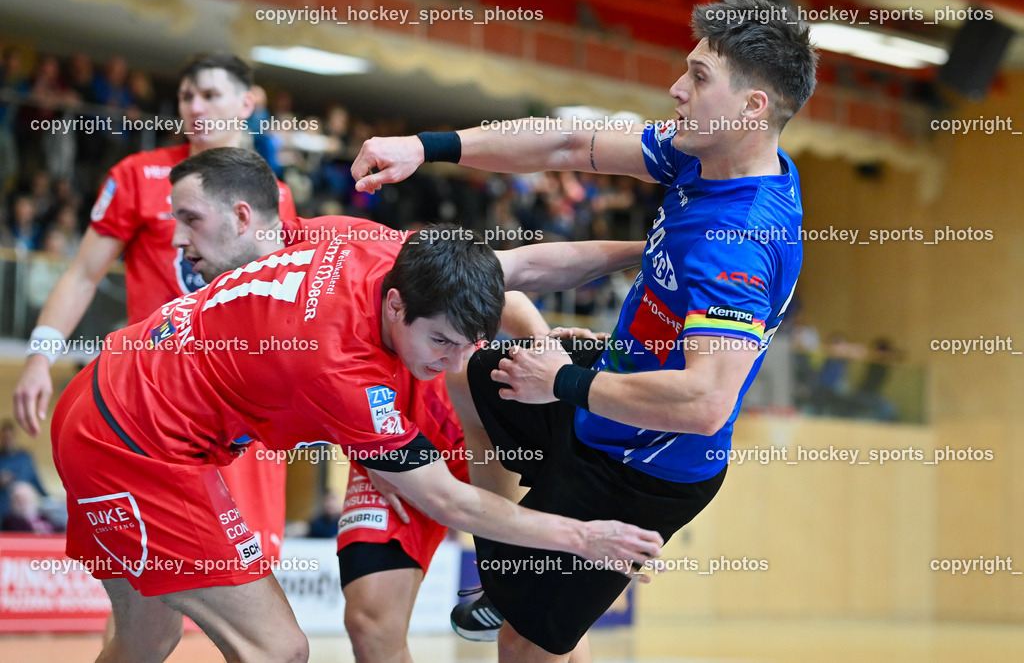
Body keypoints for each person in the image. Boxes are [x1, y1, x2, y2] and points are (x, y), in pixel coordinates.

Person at [50, 147, 662, 662]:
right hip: (133, 440)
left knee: (145, 637)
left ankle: (503, 579)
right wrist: (582, 537)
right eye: (441, 344)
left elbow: (524, 266)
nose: (452, 364)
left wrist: (653, 248)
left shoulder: (376, 248)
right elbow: (444, 498)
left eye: (465, 345)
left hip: (107, 392)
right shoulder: (343, 371)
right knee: (278, 649)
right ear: (395, 308)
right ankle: (505, 575)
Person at [350, 0, 817, 660]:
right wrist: (427, 146)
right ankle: (509, 568)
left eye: (700, 77)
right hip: (605, 391)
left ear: (753, 109)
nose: (677, 89)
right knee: (467, 375)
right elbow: (566, 141)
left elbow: (705, 402)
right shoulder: (701, 156)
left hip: (642, 467)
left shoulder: (736, 237)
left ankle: (523, 595)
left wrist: (563, 381)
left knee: (524, 647)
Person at [167, 147, 549, 662]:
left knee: (535, 623)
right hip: (392, 447)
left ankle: (510, 574)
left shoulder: (338, 240)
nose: (181, 245)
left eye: (190, 222)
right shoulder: (243, 324)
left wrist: (551, 356)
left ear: (242, 220)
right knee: (369, 620)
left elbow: (509, 293)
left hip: (482, 431)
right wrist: (381, 457)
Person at [13, 53, 295, 576]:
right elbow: (81, 274)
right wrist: (38, 358)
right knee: (147, 591)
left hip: (242, 407)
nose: (195, 106)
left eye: (210, 94)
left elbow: (284, 307)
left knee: (254, 581)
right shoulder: (139, 175)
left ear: (247, 104)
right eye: (187, 96)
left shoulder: (274, 195)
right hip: (156, 404)